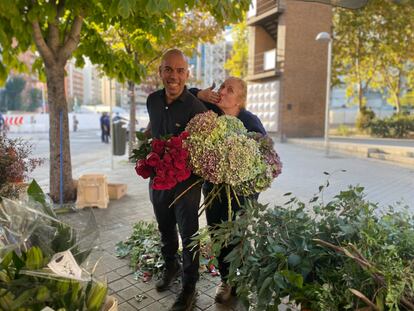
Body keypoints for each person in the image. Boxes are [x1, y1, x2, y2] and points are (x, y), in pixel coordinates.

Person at [146, 48, 207, 311]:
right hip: (158, 179)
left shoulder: (197, 108)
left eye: (180, 70)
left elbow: (206, 148)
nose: (174, 75)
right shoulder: (152, 100)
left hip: (187, 184)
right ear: (160, 72)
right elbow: (154, 127)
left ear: (187, 74)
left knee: (189, 234)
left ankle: (189, 288)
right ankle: (170, 266)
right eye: (168, 69)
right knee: (165, 228)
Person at [200, 77, 266, 303]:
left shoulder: (250, 121)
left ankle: (242, 278)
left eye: (230, 90)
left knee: (239, 237)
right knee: (217, 233)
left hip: (242, 193)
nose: (223, 92)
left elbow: (265, 159)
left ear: (240, 99)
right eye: (222, 87)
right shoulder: (210, 113)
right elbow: (185, 94)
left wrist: (244, 179)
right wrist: (200, 94)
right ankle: (226, 280)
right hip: (213, 191)